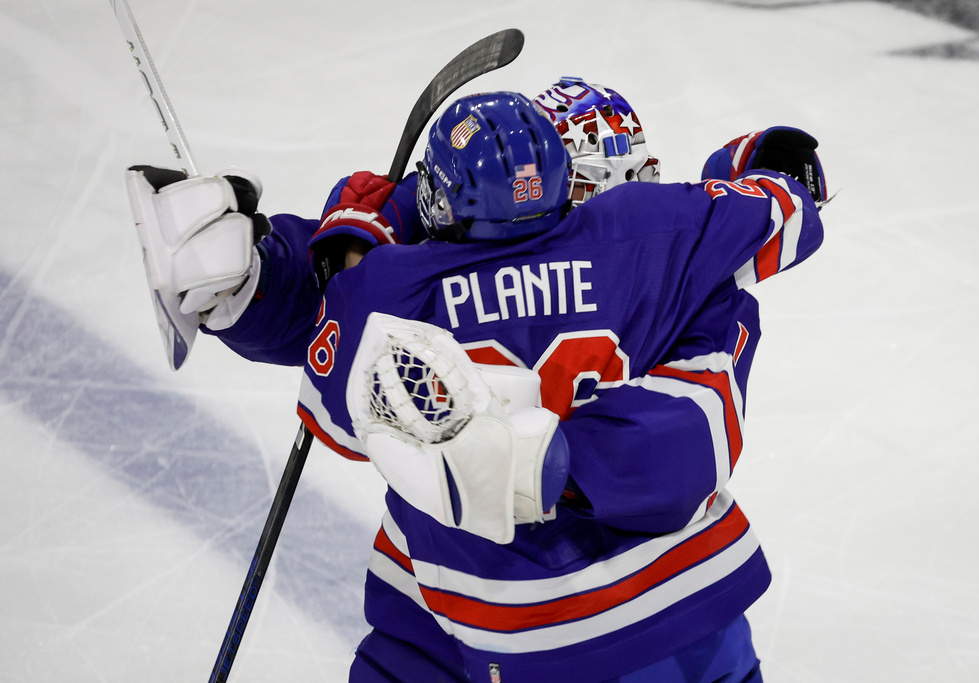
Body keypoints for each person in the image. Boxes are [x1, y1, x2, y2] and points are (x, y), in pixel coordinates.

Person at [124, 83, 826, 680]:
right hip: (471, 608)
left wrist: (284, 267)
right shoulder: (679, 252)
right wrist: (253, 277)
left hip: (626, 629)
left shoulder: (412, 279)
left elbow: (339, 320)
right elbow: (767, 214)